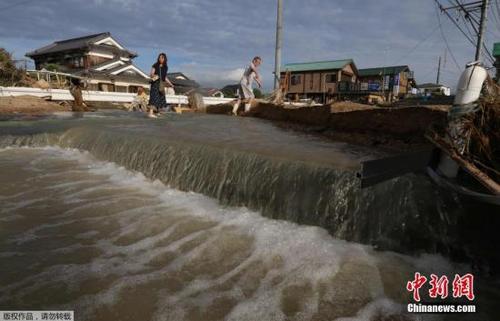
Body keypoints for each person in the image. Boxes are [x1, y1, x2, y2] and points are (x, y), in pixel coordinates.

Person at [149, 52, 174, 117]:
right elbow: (151, 74)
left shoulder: (166, 67)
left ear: (165, 59)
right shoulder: (155, 65)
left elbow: (165, 77)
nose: (160, 59)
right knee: (154, 97)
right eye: (159, 57)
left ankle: (158, 112)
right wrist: (155, 75)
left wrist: (170, 84)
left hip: (162, 83)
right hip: (155, 83)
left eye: (162, 58)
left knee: (161, 98)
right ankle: (150, 113)